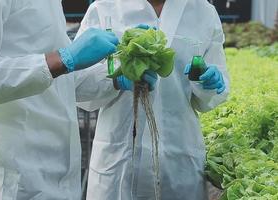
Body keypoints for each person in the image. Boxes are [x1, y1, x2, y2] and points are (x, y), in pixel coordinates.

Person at [0, 0, 155, 199]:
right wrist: (64, 58)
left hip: (59, 177)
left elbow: (55, 79)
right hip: (13, 180)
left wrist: (116, 78)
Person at [76, 0, 230, 199]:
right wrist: (115, 79)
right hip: (119, 162)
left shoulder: (203, 12)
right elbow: (76, 83)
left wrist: (208, 85)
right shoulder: (105, 7)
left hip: (178, 161)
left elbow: (213, 96)